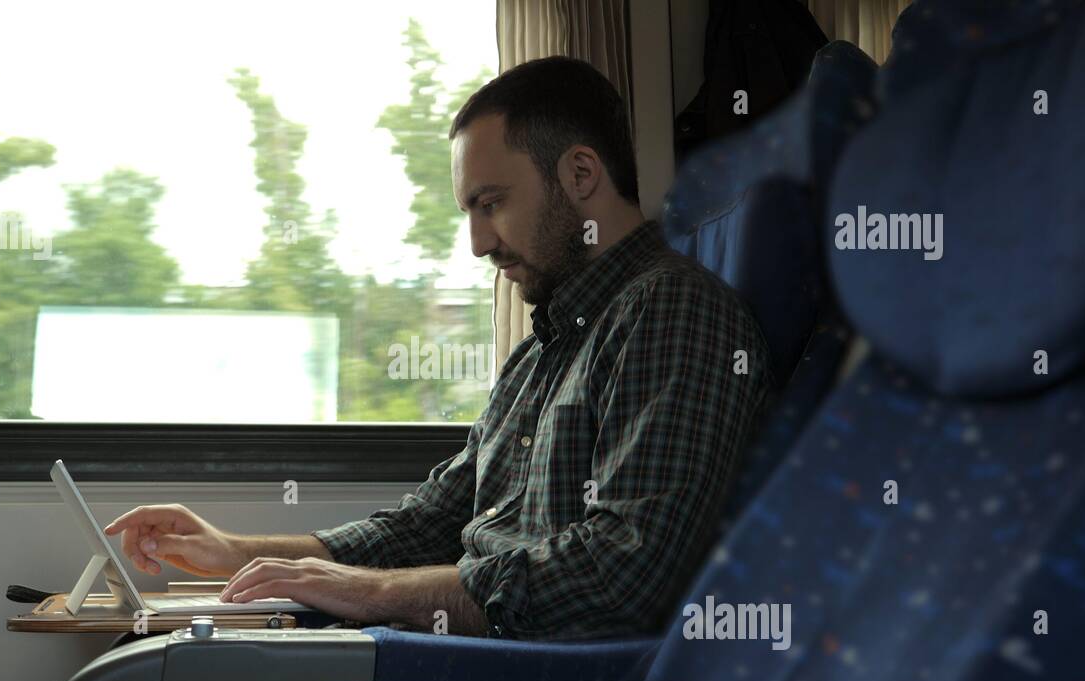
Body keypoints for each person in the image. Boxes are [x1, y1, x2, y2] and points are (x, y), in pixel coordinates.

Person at [105, 56, 774, 642]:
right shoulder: (540, 353)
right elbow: (430, 523)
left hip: (539, 677)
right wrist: (236, 551)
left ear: (579, 174)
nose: (480, 243)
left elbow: (619, 576)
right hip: (474, 649)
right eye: (470, 213)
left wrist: (366, 594)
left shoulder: (672, 312)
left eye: (493, 203)